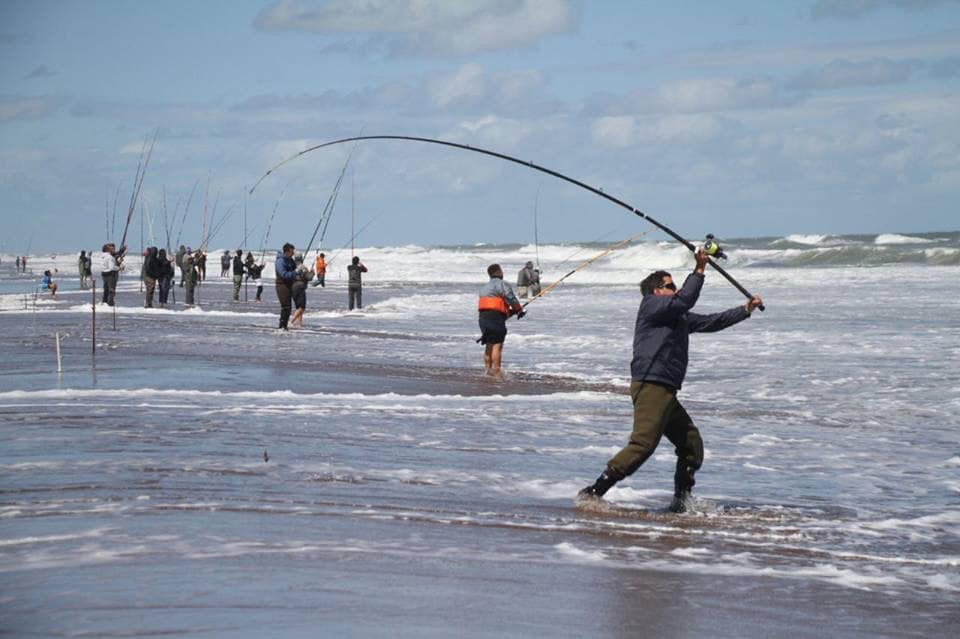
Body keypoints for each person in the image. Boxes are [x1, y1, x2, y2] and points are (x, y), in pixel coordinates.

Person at [578, 249, 764, 513]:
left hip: (666, 388)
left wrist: (745, 310)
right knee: (643, 445)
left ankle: (681, 502)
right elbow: (686, 299)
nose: (675, 289)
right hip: (651, 383)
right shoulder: (651, 306)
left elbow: (711, 322)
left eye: (675, 285)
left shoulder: (677, 315)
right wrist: (699, 269)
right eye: (671, 285)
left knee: (691, 445)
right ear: (657, 291)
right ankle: (593, 492)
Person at [477, 263, 524, 379]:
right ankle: (497, 372)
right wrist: (519, 310)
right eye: (502, 271)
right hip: (495, 318)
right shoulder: (502, 284)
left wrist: (509, 312)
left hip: (483, 318)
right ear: (498, 272)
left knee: (489, 344)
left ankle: (488, 371)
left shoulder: (484, 288)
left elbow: (492, 305)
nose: (503, 273)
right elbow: (510, 297)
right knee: (497, 345)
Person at [275, 243, 297, 330]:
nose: (293, 253)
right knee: (285, 306)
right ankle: (281, 326)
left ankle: (284, 326)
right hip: (281, 285)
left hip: (289, 285)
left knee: (288, 307)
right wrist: (295, 273)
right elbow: (283, 274)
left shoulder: (290, 260)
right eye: (292, 252)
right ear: (286, 252)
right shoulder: (280, 261)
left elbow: (294, 269)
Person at [290, 255, 315, 327]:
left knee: (298, 307)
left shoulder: (293, 267)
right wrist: (312, 272)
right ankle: (291, 321)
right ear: (301, 259)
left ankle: (299, 323)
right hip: (300, 287)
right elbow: (309, 277)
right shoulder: (303, 267)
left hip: (293, 287)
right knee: (302, 307)